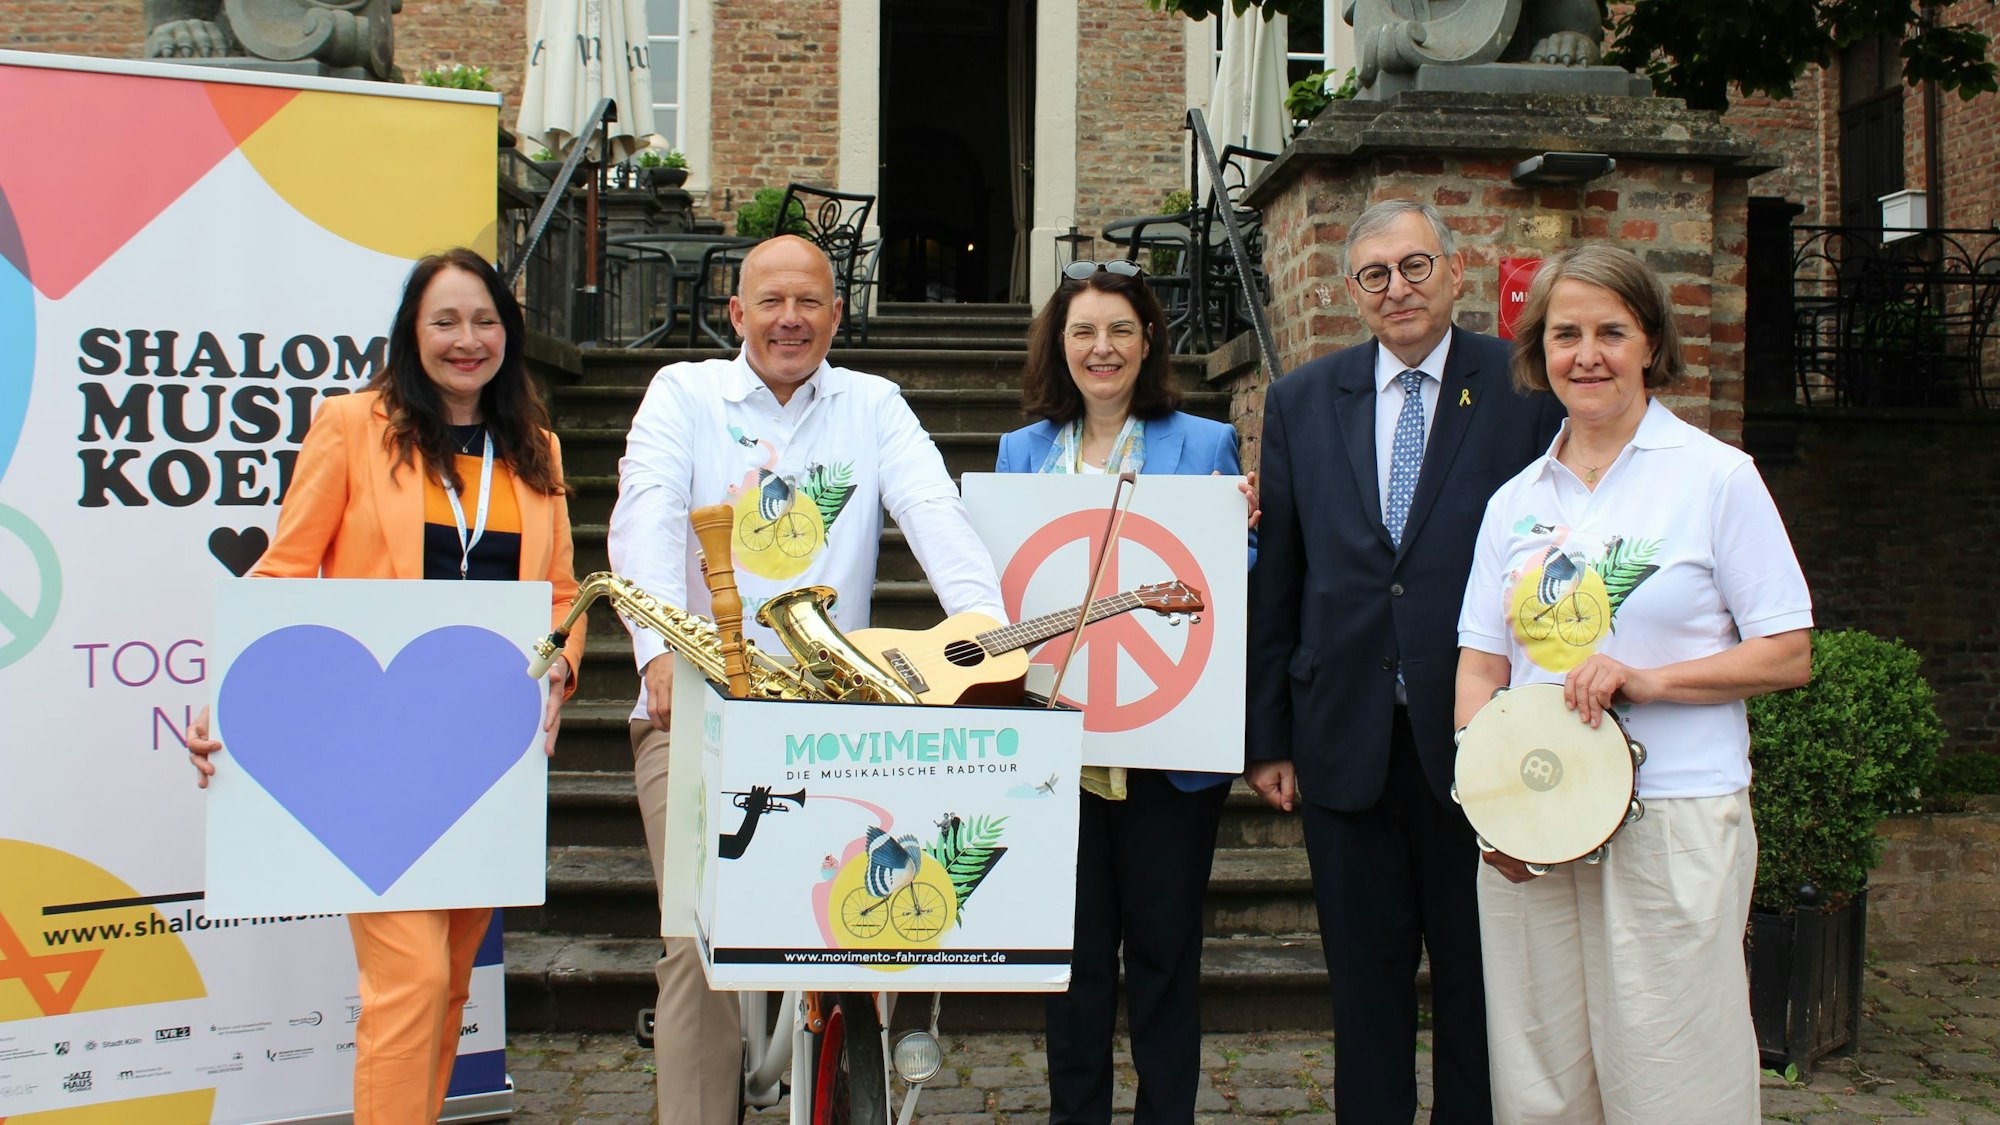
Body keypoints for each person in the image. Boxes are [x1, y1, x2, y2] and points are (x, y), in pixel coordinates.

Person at [607, 234, 1007, 1125]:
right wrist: (655, 654)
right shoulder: (685, 393)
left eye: (810, 302)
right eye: (771, 301)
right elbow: (646, 516)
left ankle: (862, 1082)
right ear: (737, 312)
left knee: (883, 913)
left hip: (835, 708)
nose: (791, 319)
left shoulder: (874, 404)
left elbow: (934, 511)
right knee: (694, 937)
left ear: (835, 313)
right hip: (701, 700)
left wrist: (986, 633)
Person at [187, 247, 584, 1124]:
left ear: (507, 334)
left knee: (448, 982)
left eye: (484, 320)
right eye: (445, 320)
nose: (467, 339)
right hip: (375, 753)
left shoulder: (536, 446)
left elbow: (560, 592)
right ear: (413, 332)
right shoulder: (353, 425)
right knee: (411, 977)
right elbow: (285, 570)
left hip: (487, 752)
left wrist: (561, 661)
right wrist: (228, 695)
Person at [1454, 243, 1812, 1122]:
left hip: (1675, 815)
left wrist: (1647, 679)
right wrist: (1487, 802)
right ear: (1539, 354)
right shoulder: (1514, 501)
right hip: (1536, 821)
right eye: (1565, 333)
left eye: (1611, 331)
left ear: (1650, 341)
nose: (1588, 354)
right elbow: (1481, 665)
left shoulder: (1715, 477)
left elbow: (1787, 650)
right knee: (1542, 1084)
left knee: (1672, 1075)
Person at [1243, 199, 1563, 1123]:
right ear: (1352, 291)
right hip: (1344, 740)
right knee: (1365, 993)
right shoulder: (1305, 399)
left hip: (1476, 738)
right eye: (1376, 274)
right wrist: (1268, 734)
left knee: (1477, 984)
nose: (1398, 289)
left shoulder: (1520, 389)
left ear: (1455, 272)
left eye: (1416, 267)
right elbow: (1285, 578)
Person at [995, 260, 1258, 1124]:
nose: (1100, 348)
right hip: (1055, 757)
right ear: (1058, 346)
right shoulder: (1021, 454)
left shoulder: (1207, 441)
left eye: (1119, 330)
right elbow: (1000, 583)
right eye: (1082, 332)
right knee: (1068, 969)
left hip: (1166, 750)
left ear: (1149, 343)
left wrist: (1244, 529)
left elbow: (1228, 580)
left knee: (1163, 960)